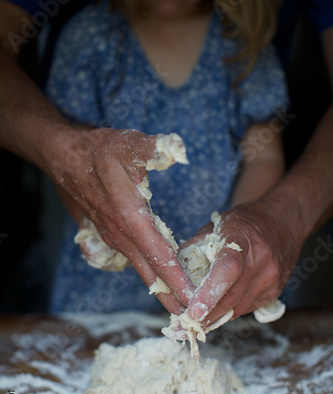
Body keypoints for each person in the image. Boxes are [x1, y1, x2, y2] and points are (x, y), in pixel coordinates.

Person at [0, 0, 332, 327]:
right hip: (102, 298)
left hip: (216, 291)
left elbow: (263, 157)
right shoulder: (89, 36)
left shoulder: (242, 43)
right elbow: (75, 167)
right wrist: (103, 233)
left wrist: (233, 247)